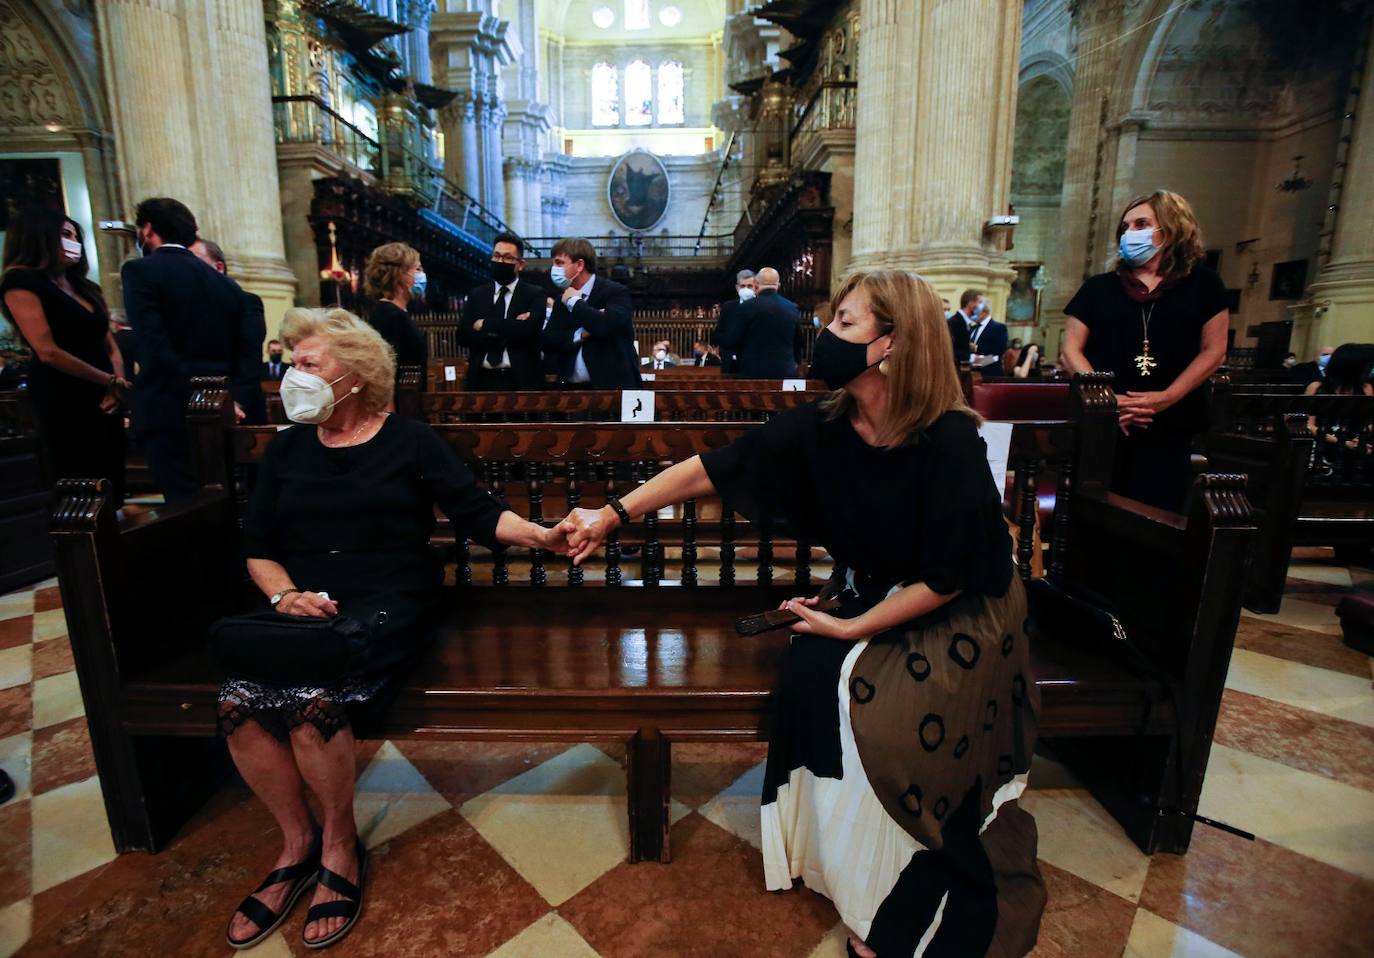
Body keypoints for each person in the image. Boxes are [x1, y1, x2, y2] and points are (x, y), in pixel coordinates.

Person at [560, 270, 1043, 958]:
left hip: (969, 611)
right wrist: (613, 515)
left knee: (887, 716)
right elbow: (713, 468)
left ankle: (902, 892)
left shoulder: (950, 439)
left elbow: (953, 575)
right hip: (881, 593)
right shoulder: (822, 426)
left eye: (845, 324)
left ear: (893, 344)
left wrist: (850, 625)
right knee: (812, 673)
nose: (824, 336)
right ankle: (842, 869)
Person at [221, 307, 572, 950]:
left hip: (390, 599)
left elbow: (476, 512)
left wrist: (542, 536)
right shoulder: (289, 446)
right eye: (292, 364)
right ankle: (294, 846)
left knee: (309, 701)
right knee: (238, 703)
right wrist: (287, 595)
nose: (293, 376)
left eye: (308, 364)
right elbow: (258, 545)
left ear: (353, 376)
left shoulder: (408, 439)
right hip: (301, 607)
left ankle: (337, 848)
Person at [1061, 189, 1229, 513]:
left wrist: (1166, 397)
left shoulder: (1205, 286)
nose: (1129, 233)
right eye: (1125, 227)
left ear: (1170, 228)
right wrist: (1107, 399)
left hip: (1170, 420)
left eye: (1140, 224)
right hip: (1104, 420)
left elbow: (1214, 351)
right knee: (1096, 512)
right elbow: (1070, 350)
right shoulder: (1098, 287)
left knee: (1160, 511)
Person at [121, 197, 254, 501]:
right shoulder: (227, 285)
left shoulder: (141, 272)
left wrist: (190, 392)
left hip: (169, 404)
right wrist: (231, 400)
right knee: (219, 495)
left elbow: (154, 346)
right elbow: (241, 352)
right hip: (219, 404)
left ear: (148, 229)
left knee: (182, 501)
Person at [0, 207, 128, 504]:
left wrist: (117, 383)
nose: (74, 243)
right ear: (40, 237)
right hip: (63, 391)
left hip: (106, 393)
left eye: (75, 236)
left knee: (110, 471)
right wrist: (108, 380)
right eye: (65, 235)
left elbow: (109, 344)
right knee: (77, 474)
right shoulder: (22, 282)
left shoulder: (86, 287)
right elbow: (47, 351)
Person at [540, 237, 641, 388]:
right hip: (571, 390)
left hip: (610, 391)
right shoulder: (562, 300)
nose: (553, 268)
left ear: (579, 265)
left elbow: (606, 326)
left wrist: (575, 302)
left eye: (559, 263)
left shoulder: (615, 292)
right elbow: (549, 341)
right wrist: (580, 334)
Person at [457, 233, 547, 390]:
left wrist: (485, 324)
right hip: (481, 379)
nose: (500, 261)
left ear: (520, 264)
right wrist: (511, 327)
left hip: (521, 380)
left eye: (507, 258)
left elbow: (528, 331)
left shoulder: (535, 294)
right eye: (496, 256)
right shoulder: (477, 294)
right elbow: (463, 335)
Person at [192, 237, 267, 424]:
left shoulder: (247, 302)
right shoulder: (184, 308)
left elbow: (249, 358)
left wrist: (237, 402)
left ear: (219, 267)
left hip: (239, 406)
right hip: (195, 405)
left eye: (195, 262)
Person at [362, 242, 429, 391]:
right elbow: (386, 370)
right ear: (400, 275)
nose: (422, 274)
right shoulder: (389, 314)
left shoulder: (398, 312)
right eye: (417, 269)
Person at [717, 266, 801, 379]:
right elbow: (799, 341)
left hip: (753, 374)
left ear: (756, 285)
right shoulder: (792, 307)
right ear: (778, 285)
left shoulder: (747, 307)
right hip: (785, 372)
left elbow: (732, 340)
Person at [1304, 343, 1374, 473]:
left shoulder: (1366, 388)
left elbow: (1369, 422)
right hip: (1325, 442)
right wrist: (1342, 442)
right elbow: (1309, 425)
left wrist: (1360, 440)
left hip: (1356, 442)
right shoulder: (1317, 387)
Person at [713, 269, 755, 373]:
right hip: (731, 364)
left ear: (755, 287)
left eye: (749, 286)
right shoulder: (728, 307)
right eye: (743, 286)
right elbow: (717, 335)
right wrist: (731, 339)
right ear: (737, 288)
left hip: (754, 362)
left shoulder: (761, 306)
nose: (746, 289)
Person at [946, 289, 986, 367]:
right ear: (970, 303)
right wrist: (973, 358)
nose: (982, 307)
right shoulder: (955, 322)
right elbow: (951, 351)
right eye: (980, 302)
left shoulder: (964, 322)